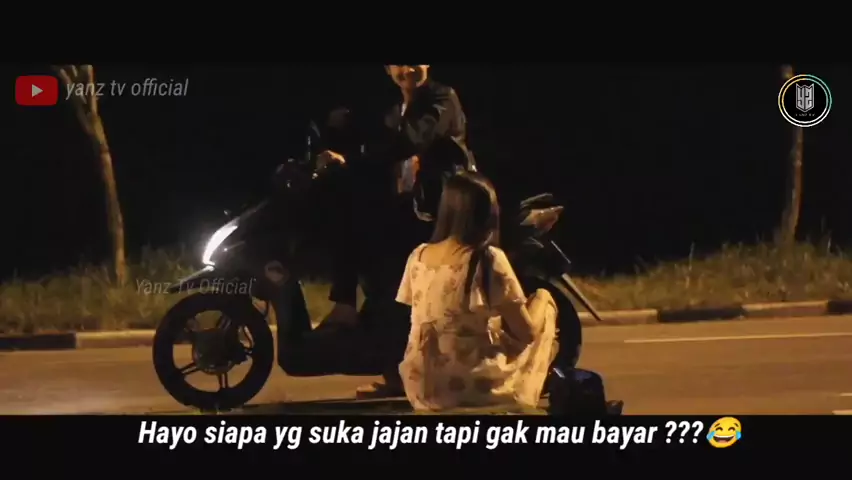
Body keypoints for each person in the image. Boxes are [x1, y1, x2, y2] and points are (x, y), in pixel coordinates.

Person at [315, 65, 474, 398]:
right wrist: (339, 130)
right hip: (409, 205)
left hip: (442, 208)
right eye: (398, 64)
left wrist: (353, 157)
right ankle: (351, 312)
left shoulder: (441, 98)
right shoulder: (396, 106)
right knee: (349, 216)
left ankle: (396, 370)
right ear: (389, 70)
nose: (407, 68)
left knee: (393, 280)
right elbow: (377, 138)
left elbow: (410, 140)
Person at [395, 172, 558, 411]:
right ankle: (521, 393)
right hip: (473, 385)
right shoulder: (486, 257)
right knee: (544, 305)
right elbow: (526, 334)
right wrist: (541, 300)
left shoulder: (418, 256)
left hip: (422, 386)